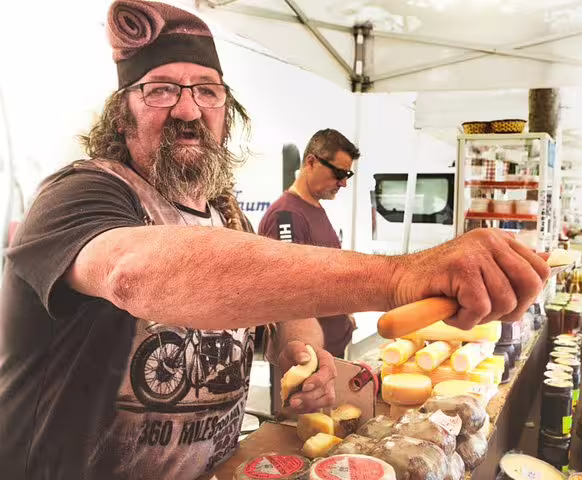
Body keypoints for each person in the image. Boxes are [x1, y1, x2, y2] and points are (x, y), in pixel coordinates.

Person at [0, 1, 549, 479]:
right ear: (123, 115)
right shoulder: (82, 194)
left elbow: (284, 305)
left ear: (225, 114)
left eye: (206, 92)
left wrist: (297, 349)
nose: (188, 110)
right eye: (161, 90)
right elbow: (133, 271)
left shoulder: (223, 211)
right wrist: (402, 276)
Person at [258, 129, 359, 359]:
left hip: (330, 350)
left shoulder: (313, 207)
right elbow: (289, 292)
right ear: (311, 162)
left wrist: (345, 315)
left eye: (348, 175)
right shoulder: (286, 215)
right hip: (307, 358)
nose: (343, 183)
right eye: (338, 173)